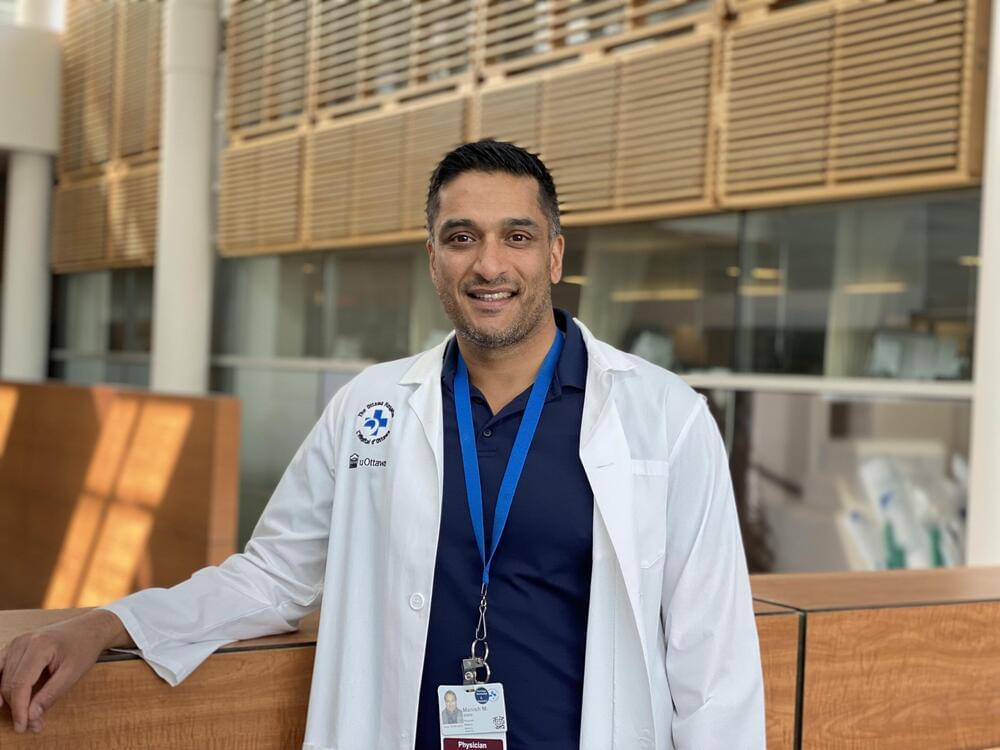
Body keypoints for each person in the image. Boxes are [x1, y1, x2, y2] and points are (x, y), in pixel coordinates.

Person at [0, 140, 765, 748]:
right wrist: (104, 625)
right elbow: (270, 579)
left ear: (555, 256)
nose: (489, 263)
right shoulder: (372, 406)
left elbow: (713, 662)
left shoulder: (664, 417)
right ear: (433, 259)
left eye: (517, 236)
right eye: (461, 237)